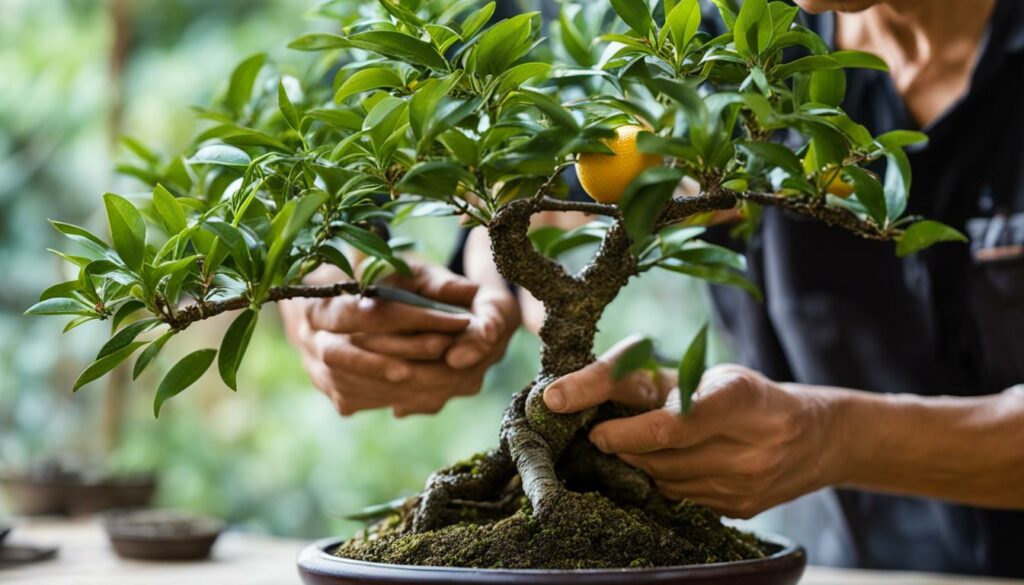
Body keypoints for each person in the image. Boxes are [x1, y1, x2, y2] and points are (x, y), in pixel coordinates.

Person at [280, 0, 1024, 576]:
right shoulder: (704, 35)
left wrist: (836, 436)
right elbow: (426, 66)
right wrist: (336, 276)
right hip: (836, 572)